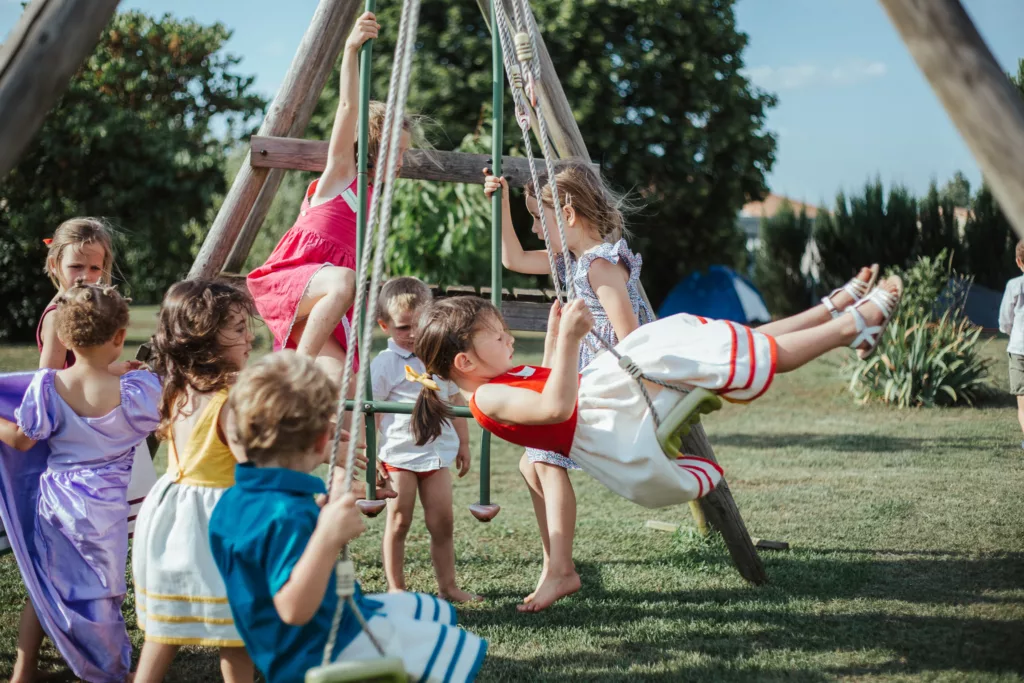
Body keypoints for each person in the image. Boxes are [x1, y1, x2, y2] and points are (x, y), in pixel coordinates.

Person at [410, 275, 904, 516]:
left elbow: (555, 388)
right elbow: (557, 407)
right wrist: (568, 342)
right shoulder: (485, 401)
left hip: (610, 401)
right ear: (465, 363)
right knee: (686, 350)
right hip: (613, 428)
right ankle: (847, 326)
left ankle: (836, 318)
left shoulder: (496, 378)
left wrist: (561, 337)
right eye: (498, 337)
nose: (509, 340)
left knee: (693, 342)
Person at [209, 351, 487, 683]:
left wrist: (334, 498)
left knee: (425, 611)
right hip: (320, 648)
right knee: (442, 649)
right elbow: (293, 609)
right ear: (320, 438)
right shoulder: (287, 514)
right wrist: (327, 536)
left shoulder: (233, 503)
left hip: (291, 642)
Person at [483, 161, 651, 612]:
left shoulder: (598, 264)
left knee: (541, 457)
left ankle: (561, 569)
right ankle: (554, 565)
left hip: (607, 389)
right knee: (529, 464)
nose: (537, 230)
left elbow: (631, 336)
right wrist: (502, 208)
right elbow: (512, 260)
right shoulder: (575, 261)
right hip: (582, 383)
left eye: (540, 219)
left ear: (569, 215)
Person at [0, 282, 161, 683]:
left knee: (48, 581)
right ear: (120, 336)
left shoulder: (50, 387)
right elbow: (150, 416)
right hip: (106, 506)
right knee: (102, 587)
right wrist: (126, 373)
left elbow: (22, 440)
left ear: (65, 337)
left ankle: (31, 668)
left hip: (58, 505)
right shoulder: (135, 390)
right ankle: (107, 667)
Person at [247, 11, 419, 382]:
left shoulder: (373, 196)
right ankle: (296, 369)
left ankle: (319, 432)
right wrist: (351, 50)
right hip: (295, 282)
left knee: (345, 384)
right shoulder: (342, 174)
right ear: (370, 147)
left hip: (327, 301)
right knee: (343, 280)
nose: (402, 161)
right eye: (395, 151)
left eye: (405, 152)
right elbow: (347, 109)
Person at [132, 280, 257, 682]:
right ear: (204, 338)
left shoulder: (180, 387)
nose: (250, 336)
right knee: (236, 633)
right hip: (215, 519)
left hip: (172, 512)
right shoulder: (229, 400)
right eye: (238, 328)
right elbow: (254, 465)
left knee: (164, 629)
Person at [370, 277, 478, 602]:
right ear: (384, 325)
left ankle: (448, 586)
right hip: (399, 458)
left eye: (420, 324)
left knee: (443, 522)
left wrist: (464, 443)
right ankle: (396, 588)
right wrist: (371, 453)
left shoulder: (441, 359)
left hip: (436, 458)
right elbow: (372, 411)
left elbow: (456, 402)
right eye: (404, 327)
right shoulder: (386, 364)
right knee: (400, 520)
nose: (413, 334)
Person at [998, 238, 1024, 449]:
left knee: (1023, 403)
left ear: (1018, 261)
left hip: (1018, 348)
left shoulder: (1014, 285)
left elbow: (1005, 319)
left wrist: (1011, 332)